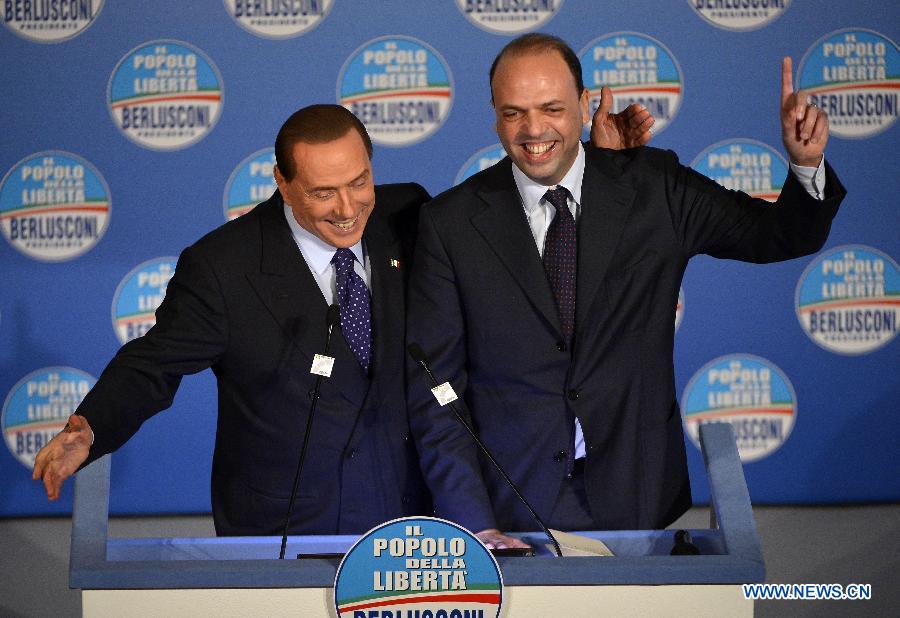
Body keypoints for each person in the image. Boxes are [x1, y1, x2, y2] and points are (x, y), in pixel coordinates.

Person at [33, 101, 650, 535]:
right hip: (284, 531)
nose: (348, 208)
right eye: (324, 193)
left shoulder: (409, 217)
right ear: (281, 182)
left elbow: (515, 216)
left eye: (359, 182)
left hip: (414, 523)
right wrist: (91, 425)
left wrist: (599, 162)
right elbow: (152, 364)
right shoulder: (223, 267)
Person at [406, 34, 846, 549]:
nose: (533, 130)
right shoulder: (451, 223)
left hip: (635, 491)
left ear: (585, 103)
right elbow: (437, 390)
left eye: (551, 108)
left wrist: (805, 164)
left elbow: (780, 235)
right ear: (494, 115)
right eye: (513, 113)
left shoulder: (653, 186)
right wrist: (475, 519)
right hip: (510, 507)